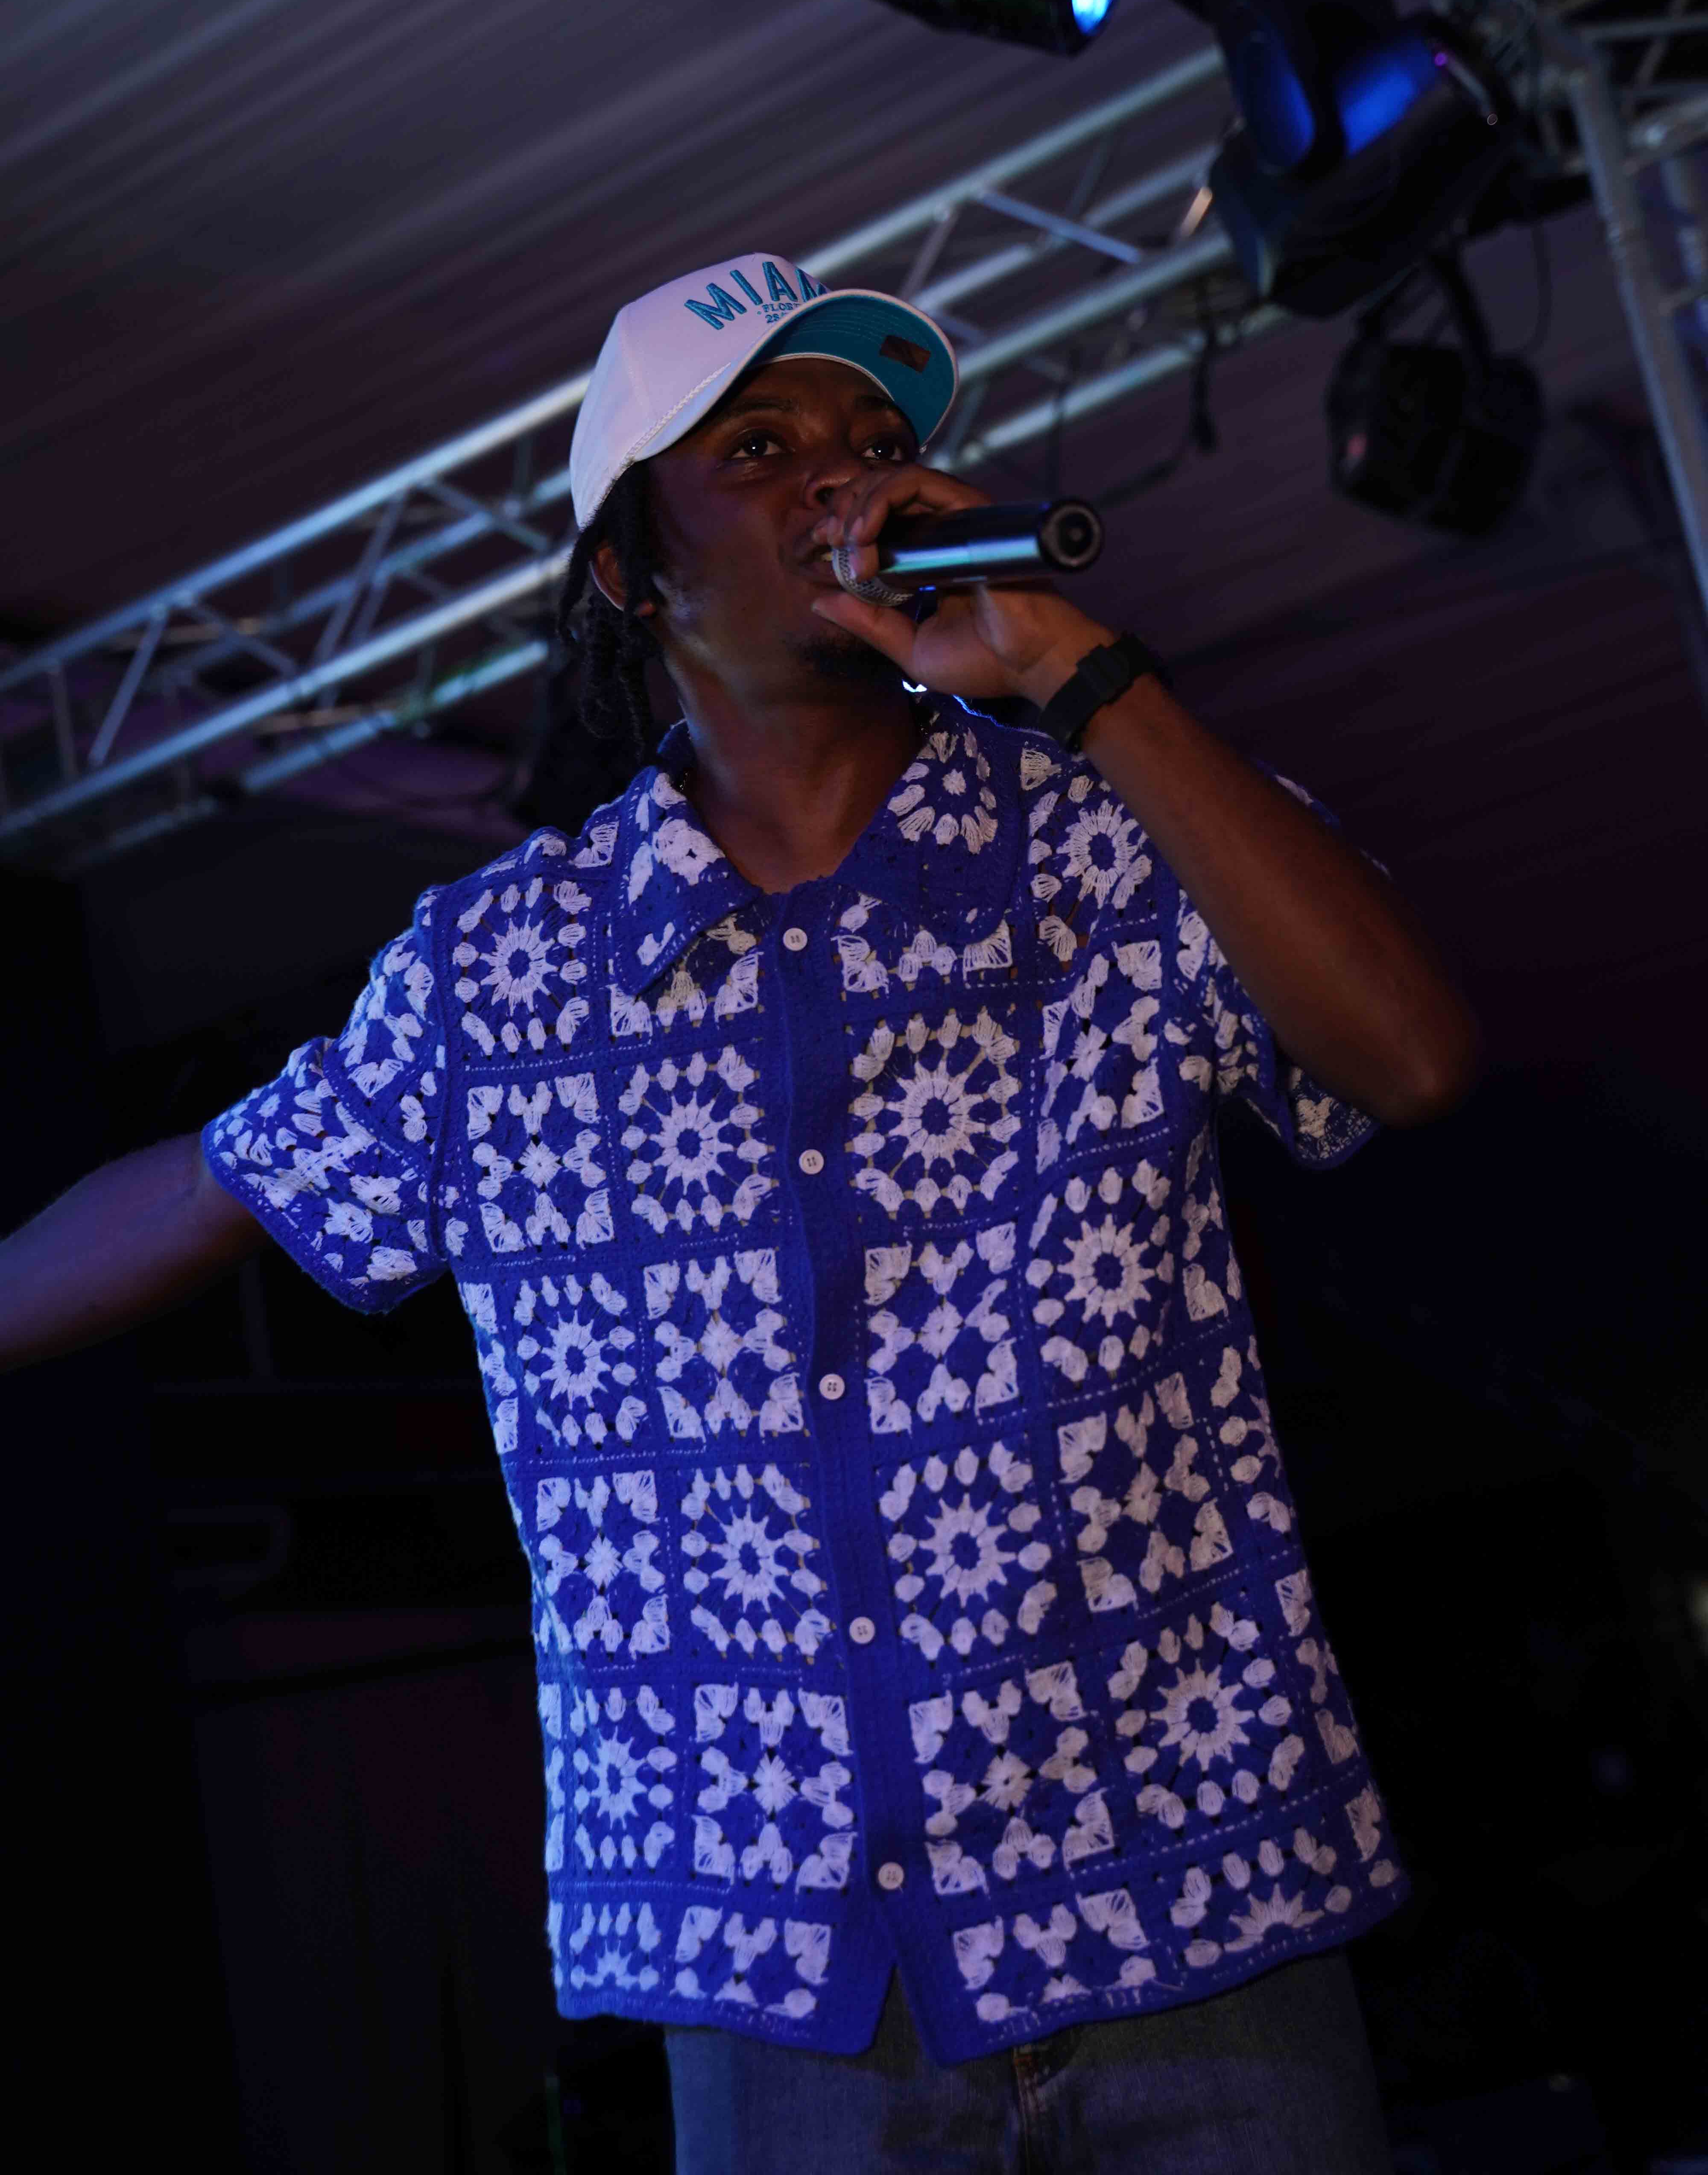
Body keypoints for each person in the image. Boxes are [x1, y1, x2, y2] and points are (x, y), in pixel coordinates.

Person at [1, 252, 1480, 2173]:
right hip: (784, 1986)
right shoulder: (502, 975)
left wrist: (1083, 678)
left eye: (873, 435)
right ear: (632, 569)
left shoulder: (1110, 841)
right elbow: (212, 1186)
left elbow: (1413, 1059)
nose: (842, 474)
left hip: (1186, 1899)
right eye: (760, 447)